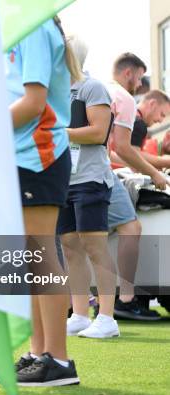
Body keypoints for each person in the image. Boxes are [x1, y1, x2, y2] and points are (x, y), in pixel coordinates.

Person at [0, 17, 81, 386]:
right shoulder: (24, 28)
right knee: (31, 257)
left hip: (39, 154)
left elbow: (33, 103)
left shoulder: (34, 28)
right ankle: (38, 353)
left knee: (40, 254)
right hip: (22, 154)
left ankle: (59, 361)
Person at [58, 36, 119, 339]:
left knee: (95, 246)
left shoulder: (91, 87)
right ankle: (80, 314)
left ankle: (107, 317)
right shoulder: (54, 91)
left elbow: (98, 132)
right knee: (70, 248)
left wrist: (58, 133)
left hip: (91, 179)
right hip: (63, 180)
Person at [105, 54, 166, 321]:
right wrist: (156, 170)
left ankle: (91, 306)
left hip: (79, 173)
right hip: (97, 176)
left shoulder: (93, 91)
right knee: (131, 227)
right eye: (140, 77)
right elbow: (125, 149)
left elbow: (115, 151)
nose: (140, 84)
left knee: (84, 242)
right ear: (129, 73)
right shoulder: (123, 100)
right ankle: (125, 300)